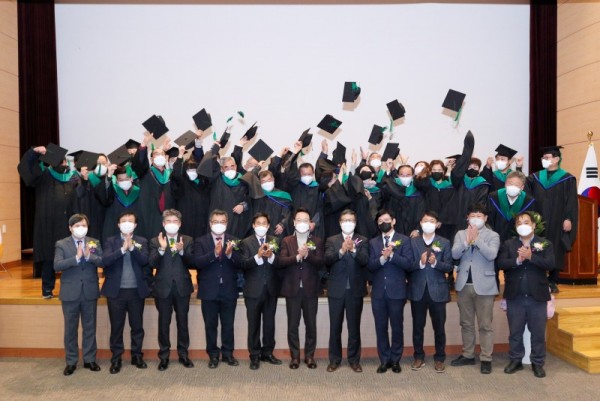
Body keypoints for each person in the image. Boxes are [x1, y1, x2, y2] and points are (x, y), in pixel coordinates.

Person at [498, 211, 555, 378]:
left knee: (538, 332)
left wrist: (531, 257)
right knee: (515, 332)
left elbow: (550, 264)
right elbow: (501, 263)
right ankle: (516, 360)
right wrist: (517, 260)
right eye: (519, 223)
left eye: (526, 222)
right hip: (515, 296)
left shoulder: (544, 243)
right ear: (516, 227)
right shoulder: (509, 244)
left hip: (537, 296)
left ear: (533, 225)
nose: (522, 225)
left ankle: (537, 362)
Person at [18, 145, 79, 298]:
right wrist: (33, 153)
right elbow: (26, 170)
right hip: (48, 225)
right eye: (59, 162)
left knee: (70, 257)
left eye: (63, 162)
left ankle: (69, 289)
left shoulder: (73, 179)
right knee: (48, 258)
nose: (62, 164)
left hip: (68, 225)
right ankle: (47, 289)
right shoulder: (44, 175)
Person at [451, 203, 500, 374]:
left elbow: (492, 255)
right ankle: (468, 354)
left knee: (485, 324)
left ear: (485, 218)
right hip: (464, 285)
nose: (476, 219)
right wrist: (467, 241)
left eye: (479, 216)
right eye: (473, 215)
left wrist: (477, 240)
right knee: (466, 323)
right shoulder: (460, 234)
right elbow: (454, 254)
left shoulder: (493, 235)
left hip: (485, 286)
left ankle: (486, 358)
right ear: (467, 218)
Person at [101, 211, 151, 374]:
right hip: (116, 292)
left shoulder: (142, 241)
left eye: (131, 221)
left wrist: (132, 248)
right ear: (118, 224)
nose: (127, 223)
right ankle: (116, 358)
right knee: (117, 327)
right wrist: (122, 250)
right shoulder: (111, 241)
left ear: (135, 225)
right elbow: (105, 260)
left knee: (137, 327)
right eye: (124, 221)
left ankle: (137, 356)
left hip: (136, 291)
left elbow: (145, 261)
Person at [53, 214, 103, 376]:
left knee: (90, 327)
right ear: (70, 228)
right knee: (70, 329)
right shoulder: (62, 244)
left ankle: (89, 359)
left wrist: (89, 256)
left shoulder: (94, 242)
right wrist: (76, 258)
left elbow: (102, 261)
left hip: (89, 291)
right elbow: (57, 265)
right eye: (77, 225)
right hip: (70, 293)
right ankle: (71, 361)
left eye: (84, 225)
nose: (81, 228)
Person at [194, 209, 242, 369]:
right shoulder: (201, 241)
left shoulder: (234, 240)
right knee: (210, 325)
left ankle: (228, 354)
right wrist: (214, 254)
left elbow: (241, 263)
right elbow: (197, 262)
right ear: (210, 223)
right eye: (216, 222)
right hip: (209, 290)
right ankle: (213, 355)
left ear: (227, 224)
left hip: (229, 289)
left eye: (222, 222)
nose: (219, 224)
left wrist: (229, 255)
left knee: (228, 325)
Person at [526, 145, 578, 293]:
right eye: (543, 157)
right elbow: (526, 193)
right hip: (539, 218)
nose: (544, 159)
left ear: (556, 159)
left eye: (547, 157)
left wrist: (568, 218)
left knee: (556, 247)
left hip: (558, 219)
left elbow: (571, 201)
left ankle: (553, 280)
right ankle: (539, 278)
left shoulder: (567, 178)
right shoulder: (535, 177)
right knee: (538, 246)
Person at [367, 209, 414, 373]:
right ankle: (384, 359)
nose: (383, 223)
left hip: (397, 291)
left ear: (393, 221)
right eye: (380, 221)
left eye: (386, 220)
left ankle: (395, 360)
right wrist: (383, 258)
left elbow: (408, 264)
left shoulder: (404, 240)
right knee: (380, 328)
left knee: (397, 327)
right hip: (378, 292)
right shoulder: (373, 242)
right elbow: (370, 265)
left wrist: (392, 255)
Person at [278, 207, 325, 370]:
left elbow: (321, 263)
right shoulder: (287, 241)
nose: (302, 223)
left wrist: (307, 256)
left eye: (305, 220)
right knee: (293, 325)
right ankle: (295, 357)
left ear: (310, 223)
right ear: (294, 222)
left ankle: (310, 356)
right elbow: (281, 261)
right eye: (299, 220)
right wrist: (297, 257)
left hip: (310, 289)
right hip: (292, 289)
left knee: (311, 325)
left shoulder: (317, 241)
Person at [149, 209, 195, 371]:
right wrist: (161, 249)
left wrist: (182, 251)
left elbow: (192, 262)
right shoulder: (155, 241)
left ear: (180, 224)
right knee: (164, 323)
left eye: (175, 221)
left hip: (182, 287)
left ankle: (183, 354)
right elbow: (152, 263)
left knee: (183, 322)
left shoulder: (187, 240)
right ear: (163, 224)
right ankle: (164, 356)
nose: (172, 224)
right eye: (168, 221)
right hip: (163, 287)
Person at [408, 211, 453, 373]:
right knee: (417, 327)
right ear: (420, 223)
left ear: (437, 224)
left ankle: (439, 358)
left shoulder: (445, 242)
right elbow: (407, 265)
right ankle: (418, 356)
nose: (428, 223)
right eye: (425, 220)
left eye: (432, 221)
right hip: (418, 290)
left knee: (439, 327)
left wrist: (435, 263)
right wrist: (420, 263)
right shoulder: (413, 242)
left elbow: (449, 266)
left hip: (438, 291)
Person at [324, 209, 369, 373]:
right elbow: (327, 260)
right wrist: (342, 251)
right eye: (345, 220)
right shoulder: (331, 240)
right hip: (336, 290)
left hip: (355, 291)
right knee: (335, 327)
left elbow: (365, 260)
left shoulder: (362, 240)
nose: (348, 223)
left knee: (354, 328)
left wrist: (354, 250)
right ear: (340, 222)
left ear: (355, 223)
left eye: (351, 220)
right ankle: (334, 360)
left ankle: (354, 360)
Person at [239, 212, 282, 369]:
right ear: (253, 225)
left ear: (269, 226)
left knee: (270, 323)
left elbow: (281, 263)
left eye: (264, 223)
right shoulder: (245, 242)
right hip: (253, 290)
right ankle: (254, 355)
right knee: (254, 324)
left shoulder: (275, 241)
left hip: (271, 289)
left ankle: (268, 352)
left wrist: (271, 257)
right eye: (259, 223)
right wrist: (257, 256)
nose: (261, 226)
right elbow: (243, 264)